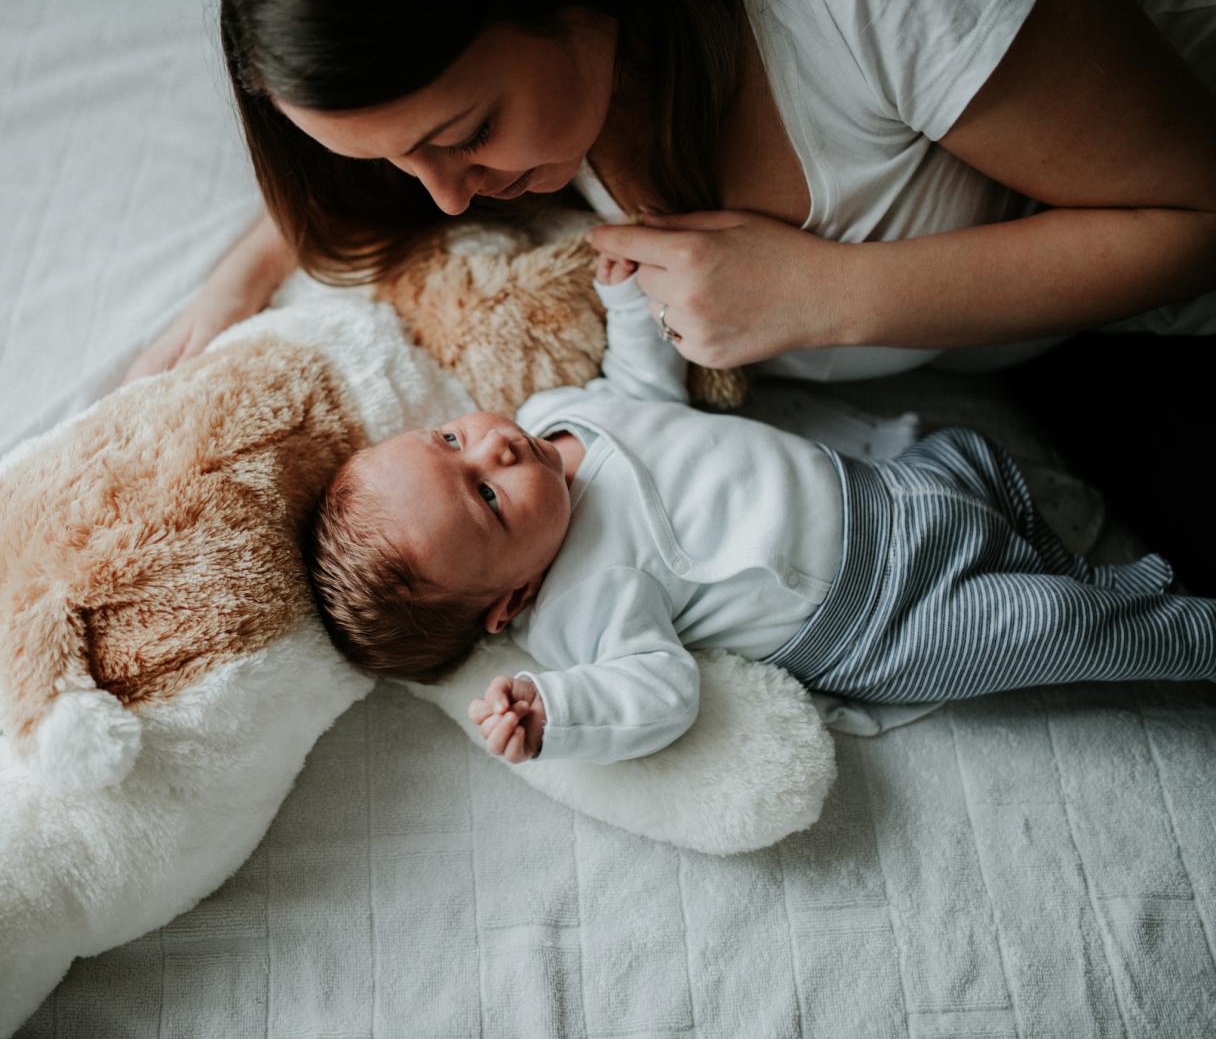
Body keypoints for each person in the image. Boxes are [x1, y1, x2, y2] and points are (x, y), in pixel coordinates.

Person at [304, 255, 1216, 764]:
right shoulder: (584, 601)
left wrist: (627, 303)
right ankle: (1181, 633)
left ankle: (1084, 571)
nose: (494, 449)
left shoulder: (547, 420)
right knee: (1041, 624)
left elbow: (645, 396)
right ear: (509, 602)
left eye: (451, 441)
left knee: (977, 458)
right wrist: (557, 708)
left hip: (891, 492)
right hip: (879, 618)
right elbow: (659, 689)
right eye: (491, 501)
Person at [127, 0, 1216, 383]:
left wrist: (832, 297)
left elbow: (1197, 213)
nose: (448, 197)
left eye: (467, 133)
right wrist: (239, 280)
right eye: (387, 160)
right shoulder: (540, 95)